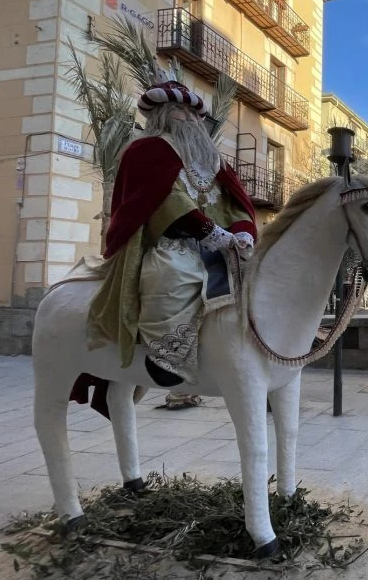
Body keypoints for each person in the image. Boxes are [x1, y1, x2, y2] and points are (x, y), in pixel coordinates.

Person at [87, 81, 257, 387]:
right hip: (172, 240)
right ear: (163, 114)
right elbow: (163, 200)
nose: (191, 119)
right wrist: (207, 231)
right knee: (171, 273)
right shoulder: (148, 150)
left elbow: (236, 203)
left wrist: (242, 233)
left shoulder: (213, 161)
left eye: (194, 112)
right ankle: (167, 356)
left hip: (225, 243)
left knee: (262, 272)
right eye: (181, 110)